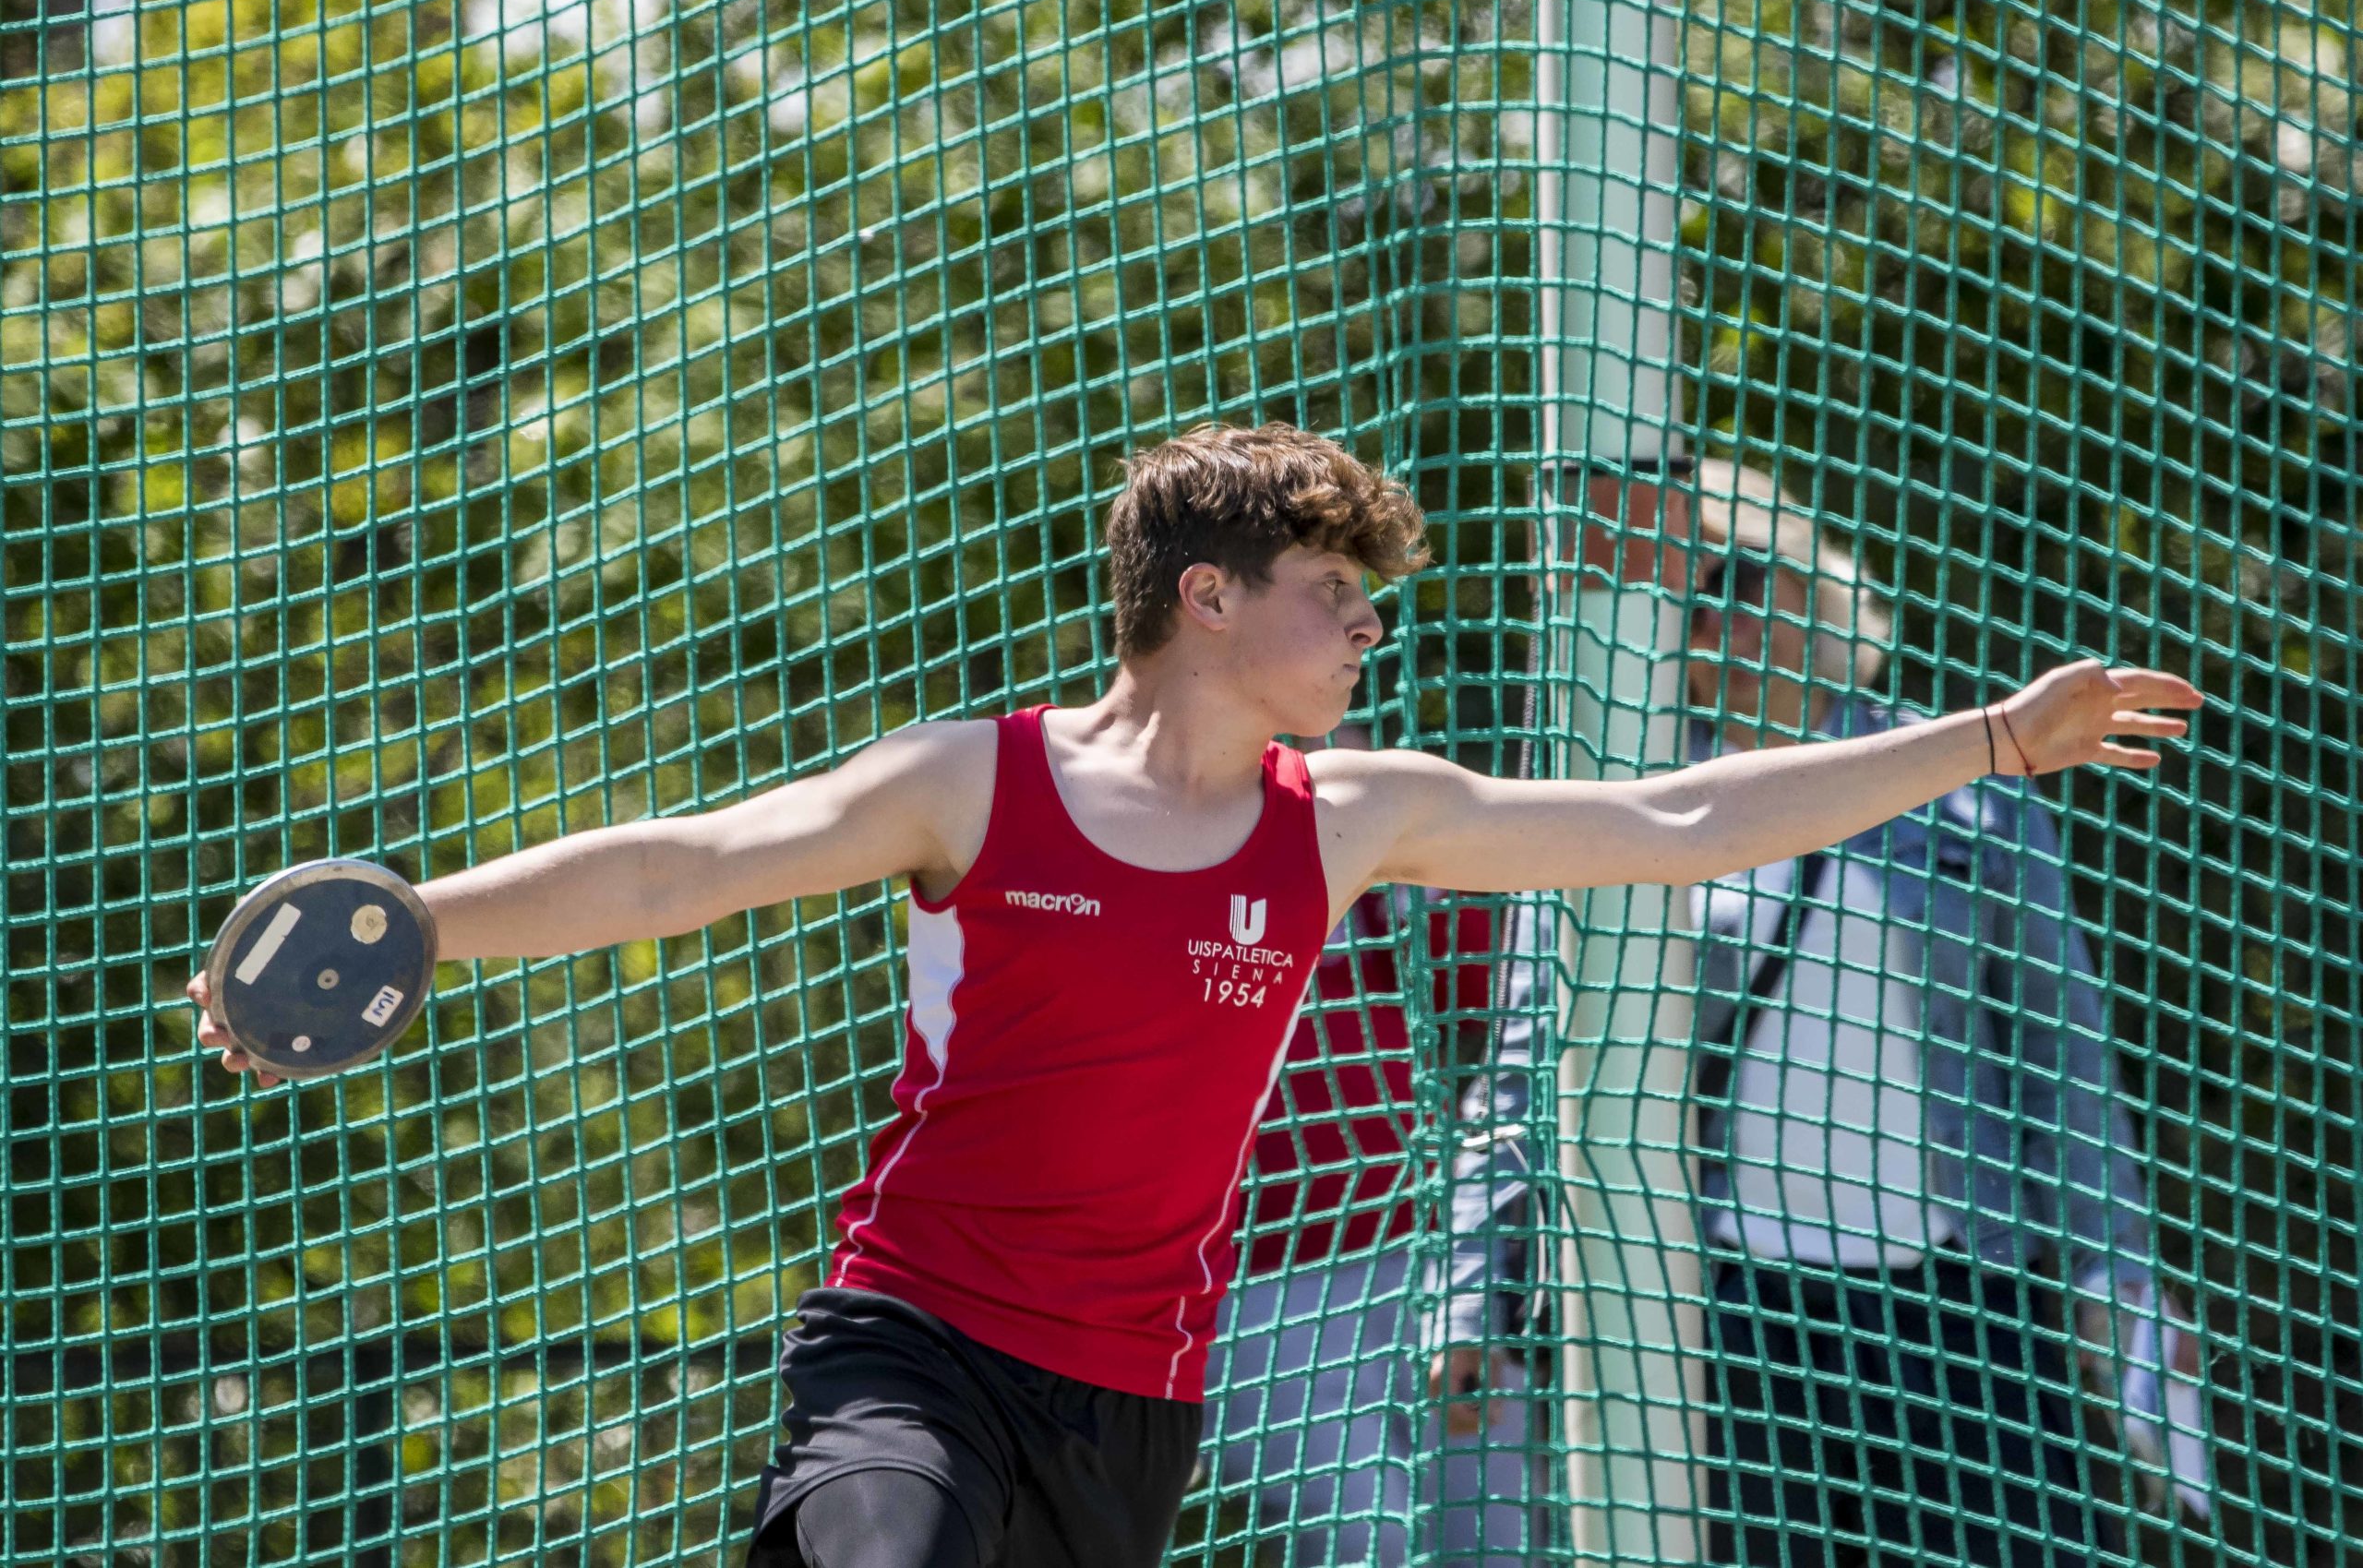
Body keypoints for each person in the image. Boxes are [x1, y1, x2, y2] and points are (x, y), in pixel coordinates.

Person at [189, 425, 2201, 1568]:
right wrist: (416, 919)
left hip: (1129, 1403)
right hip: (918, 1343)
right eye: (1331, 588)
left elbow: (1677, 810)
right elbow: (685, 862)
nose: (1361, 624)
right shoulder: (967, 780)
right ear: (1208, 599)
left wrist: (1986, 741)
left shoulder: (1349, 818)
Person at [1433, 459, 2209, 1568]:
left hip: (1963, 1309)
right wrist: (1471, 1296)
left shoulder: (1970, 788)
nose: (1711, 613)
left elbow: (2062, 1058)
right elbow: (1524, 1064)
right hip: (1724, 1314)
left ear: (1813, 583)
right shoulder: (1610, 795)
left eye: (1738, 577)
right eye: (1683, 593)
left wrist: (2115, 1278)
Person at [1206, 864, 1542, 1566]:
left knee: (1494, 1541)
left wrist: (1407, 872)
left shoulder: (1361, 861)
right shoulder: (1160, 857)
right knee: (1367, 1540)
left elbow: (1483, 986)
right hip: (1256, 1293)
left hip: (1437, 1262)